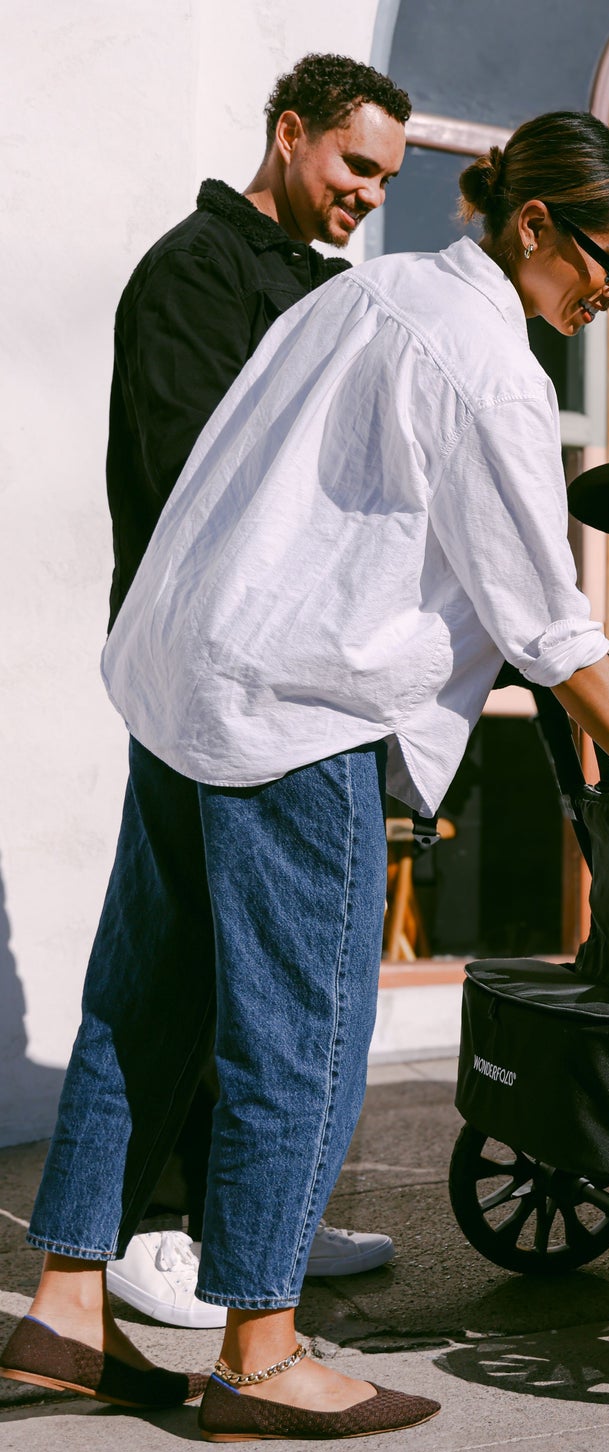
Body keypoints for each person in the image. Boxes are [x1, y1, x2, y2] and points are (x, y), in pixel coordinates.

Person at [2, 109, 609, 1442]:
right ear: (533, 222)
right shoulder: (489, 365)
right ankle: (259, 1351)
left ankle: (64, 1313)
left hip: (186, 672)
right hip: (298, 712)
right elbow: (552, 628)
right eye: (607, 261)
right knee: (301, 1035)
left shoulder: (365, 290)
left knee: (140, 1002)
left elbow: (226, 468)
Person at [101, 54, 412, 1332]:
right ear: (290, 136)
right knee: (193, 966)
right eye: (354, 167)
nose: (366, 196)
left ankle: (252, 1225)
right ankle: (156, 1240)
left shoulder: (322, 292)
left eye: (387, 180)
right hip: (210, 677)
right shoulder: (196, 273)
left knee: (272, 976)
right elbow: (198, 493)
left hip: (293, 684)